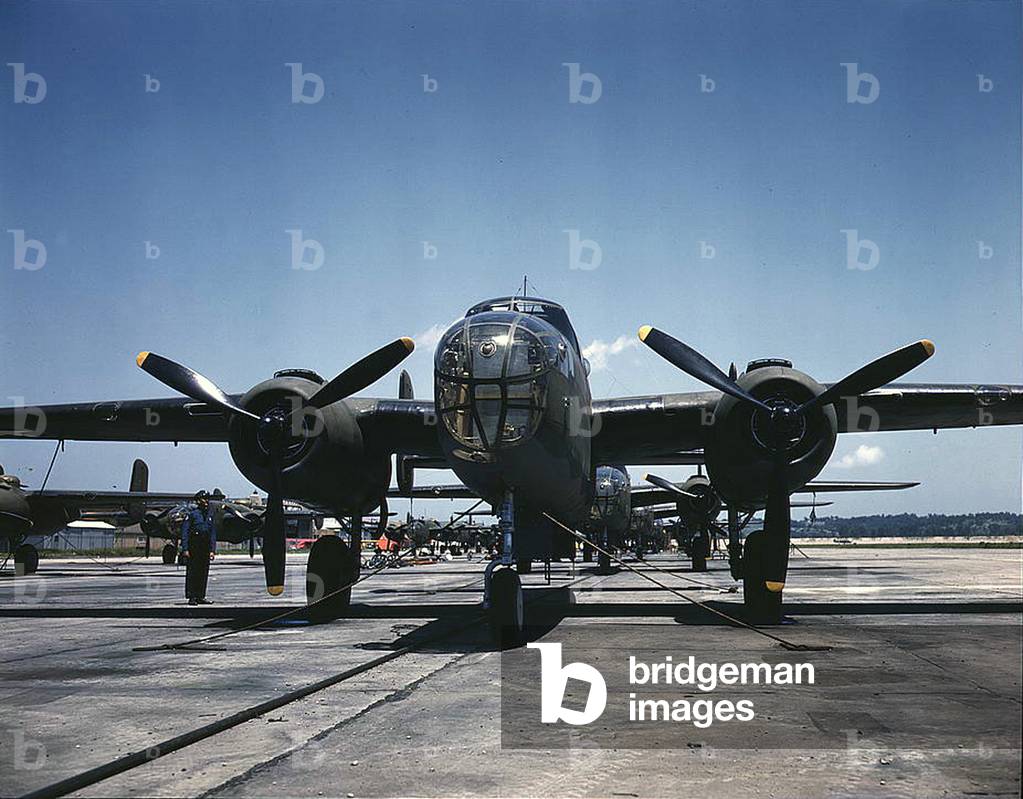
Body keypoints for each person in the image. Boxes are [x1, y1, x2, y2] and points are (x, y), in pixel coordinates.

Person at [181, 490, 217, 605]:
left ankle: (201, 596)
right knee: (193, 571)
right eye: (203, 498)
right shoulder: (192, 514)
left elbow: (212, 534)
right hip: (194, 545)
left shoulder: (210, 515)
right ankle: (192, 596)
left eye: (207, 498)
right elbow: (185, 532)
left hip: (205, 545)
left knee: (203, 571)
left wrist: (212, 550)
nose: (206, 501)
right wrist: (185, 548)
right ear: (198, 501)